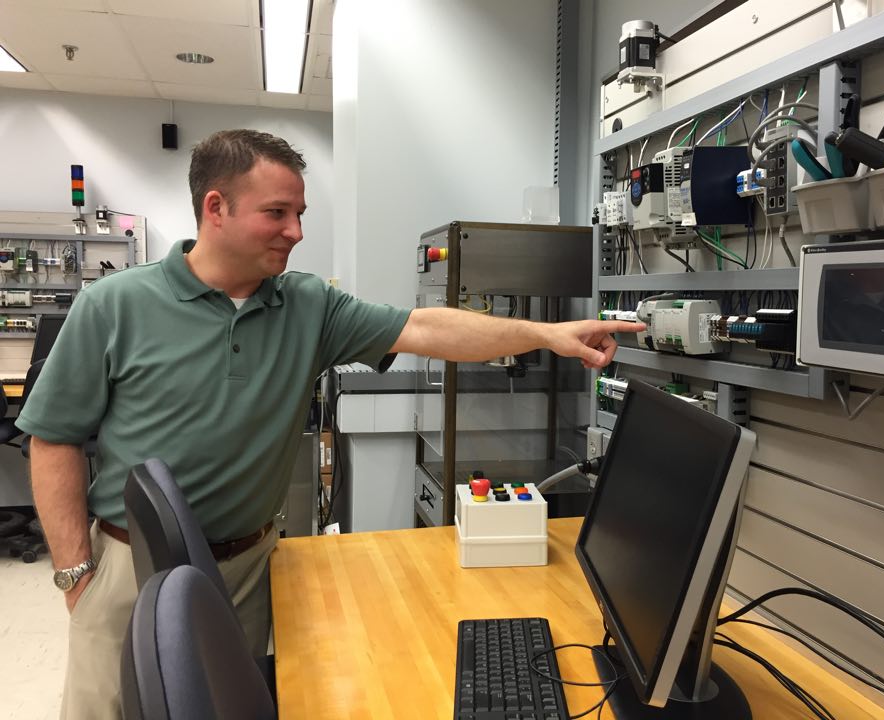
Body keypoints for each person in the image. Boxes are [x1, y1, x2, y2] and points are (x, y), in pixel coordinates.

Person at [15, 129, 640, 720]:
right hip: (131, 567)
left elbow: (424, 328)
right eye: (278, 213)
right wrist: (77, 577)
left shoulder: (307, 303)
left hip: (250, 569)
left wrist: (546, 334)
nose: (296, 231)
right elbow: (54, 437)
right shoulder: (115, 305)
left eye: (301, 214)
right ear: (216, 208)